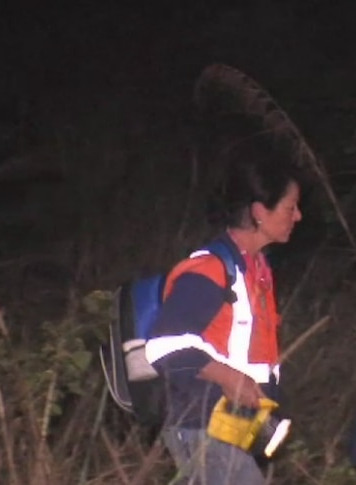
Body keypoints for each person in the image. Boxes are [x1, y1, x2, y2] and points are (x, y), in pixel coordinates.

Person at [144, 132, 303, 484]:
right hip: (202, 426)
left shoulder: (256, 271)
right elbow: (165, 344)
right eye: (291, 208)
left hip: (233, 429)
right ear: (260, 212)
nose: (299, 216)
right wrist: (231, 378)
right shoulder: (210, 269)